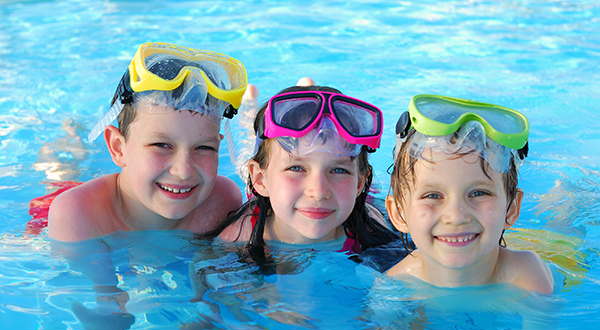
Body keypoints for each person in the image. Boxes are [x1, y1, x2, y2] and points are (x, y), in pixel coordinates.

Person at [48, 42, 247, 242]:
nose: (184, 171)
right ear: (118, 148)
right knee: (60, 179)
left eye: (204, 147)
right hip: (49, 215)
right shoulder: (80, 215)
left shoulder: (223, 202)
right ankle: (69, 141)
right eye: (161, 145)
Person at [208, 84, 399, 264]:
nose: (318, 192)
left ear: (359, 183)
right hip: (265, 199)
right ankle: (250, 104)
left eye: (339, 170)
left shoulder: (369, 229)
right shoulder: (240, 235)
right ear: (260, 179)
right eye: (296, 168)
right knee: (247, 145)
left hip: (359, 202)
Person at [385, 94, 554, 294]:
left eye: (479, 193)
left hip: (557, 254)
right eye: (432, 196)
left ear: (512, 208)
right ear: (397, 213)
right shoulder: (395, 286)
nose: (456, 216)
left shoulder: (525, 275)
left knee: (562, 228)